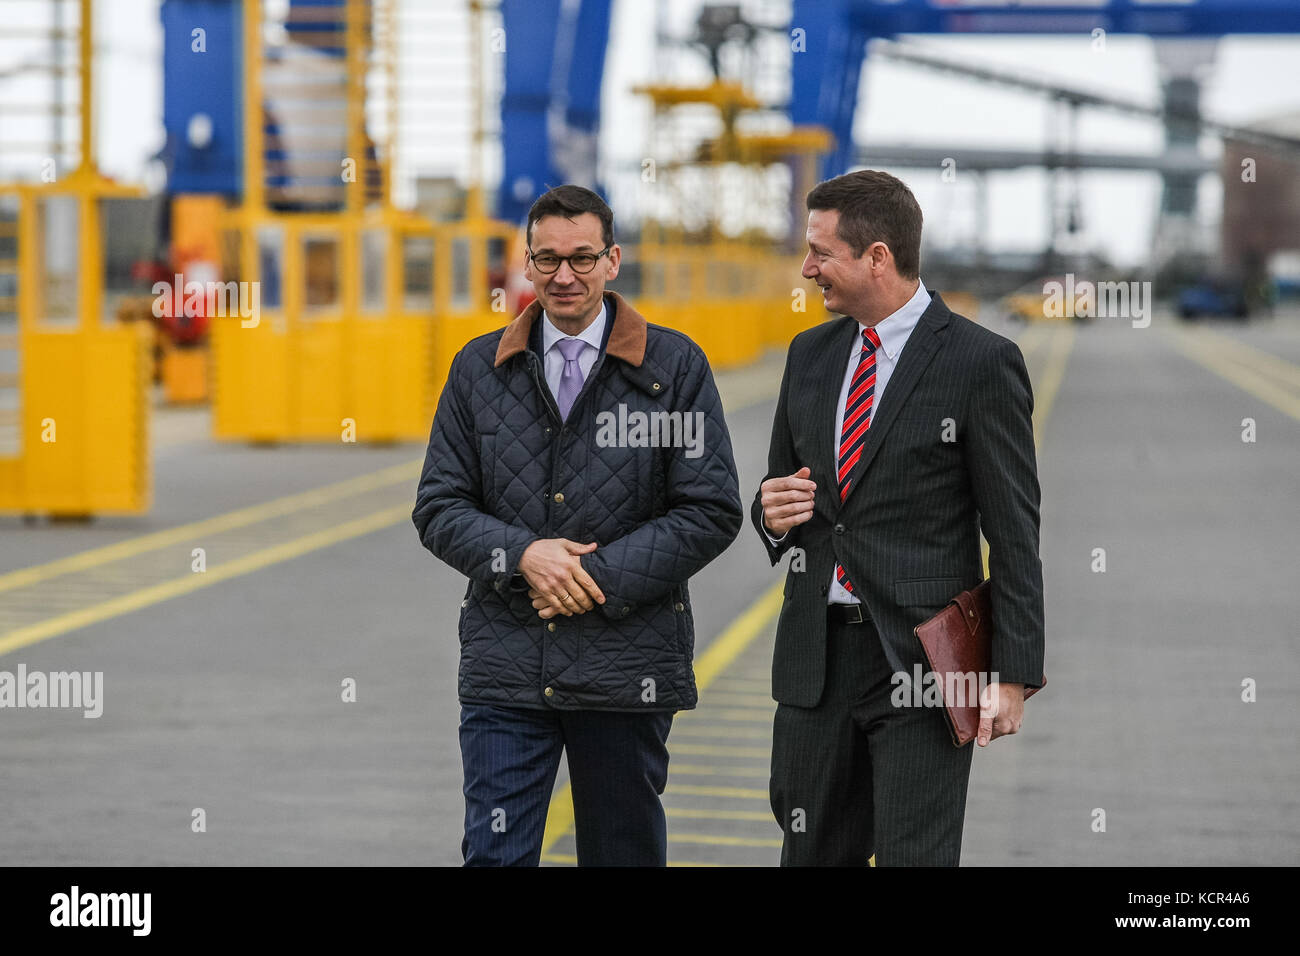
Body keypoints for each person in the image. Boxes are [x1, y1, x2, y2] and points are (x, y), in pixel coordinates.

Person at [413, 184, 742, 866]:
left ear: (613, 260)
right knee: (495, 856)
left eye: (583, 258)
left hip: (626, 670)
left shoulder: (673, 368)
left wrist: (590, 576)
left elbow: (710, 509)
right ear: (526, 263)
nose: (564, 275)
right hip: (507, 667)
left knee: (622, 854)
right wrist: (523, 555)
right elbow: (439, 507)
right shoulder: (480, 369)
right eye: (548, 259)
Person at [754, 169, 1045, 866]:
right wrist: (771, 514)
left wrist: (1013, 671)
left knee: (916, 856)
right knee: (810, 853)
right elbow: (780, 492)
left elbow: (1012, 532)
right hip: (815, 663)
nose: (807, 267)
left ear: (877, 257)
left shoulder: (981, 362)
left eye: (822, 252)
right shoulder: (810, 356)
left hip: (919, 662)